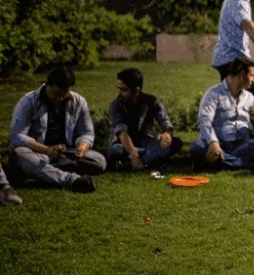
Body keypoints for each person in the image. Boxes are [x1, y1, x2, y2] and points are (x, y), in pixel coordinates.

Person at [9, 65, 105, 193]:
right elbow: (17, 136)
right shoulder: (28, 101)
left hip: (64, 155)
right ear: (47, 84)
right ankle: (72, 180)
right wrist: (47, 150)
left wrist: (82, 147)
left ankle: (44, 172)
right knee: (20, 154)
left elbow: (87, 133)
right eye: (56, 94)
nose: (59, 99)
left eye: (64, 95)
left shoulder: (79, 101)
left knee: (99, 161)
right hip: (38, 153)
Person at [190, 57, 254, 172]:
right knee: (197, 146)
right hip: (220, 144)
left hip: (242, 146)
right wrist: (213, 143)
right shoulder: (213, 93)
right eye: (251, 75)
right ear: (241, 75)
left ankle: (218, 163)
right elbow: (204, 121)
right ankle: (247, 164)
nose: (253, 80)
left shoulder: (249, 98)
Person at [106, 67, 183, 172]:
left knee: (175, 143)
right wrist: (133, 153)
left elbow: (165, 121)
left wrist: (166, 133)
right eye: (118, 88)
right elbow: (122, 133)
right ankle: (150, 161)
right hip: (124, 145)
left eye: (123, 90)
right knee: (114, 150)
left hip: (147, 142)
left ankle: (131, 165)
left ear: (136, 90)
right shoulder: (116, 106)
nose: (119, 93)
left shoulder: (152, 101)